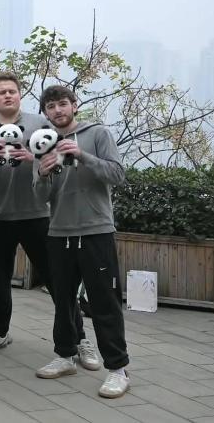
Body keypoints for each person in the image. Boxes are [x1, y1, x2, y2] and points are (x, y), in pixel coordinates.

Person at [0, 73, 95, 365]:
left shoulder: (41, 124)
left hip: (37, 214)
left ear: (20, 95)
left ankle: (79, 339)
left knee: (57, 281)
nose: (7, 96)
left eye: (12, 91)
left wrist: (34, 158)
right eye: (1, 92)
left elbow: (62, 162)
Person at [34, 85, 130, 399]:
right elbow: (40, 197)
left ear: (75, 105)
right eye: (51, 106)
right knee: (62, 300)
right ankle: (65, 355)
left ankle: (117, 369)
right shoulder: (43, 142)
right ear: (46, 113)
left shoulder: (97, 133)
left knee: (104, 302)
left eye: (63, 104)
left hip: (96, 231)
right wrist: (43, 174)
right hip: (59, 232)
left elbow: (117, 174)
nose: (57, 110)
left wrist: (82, 155)